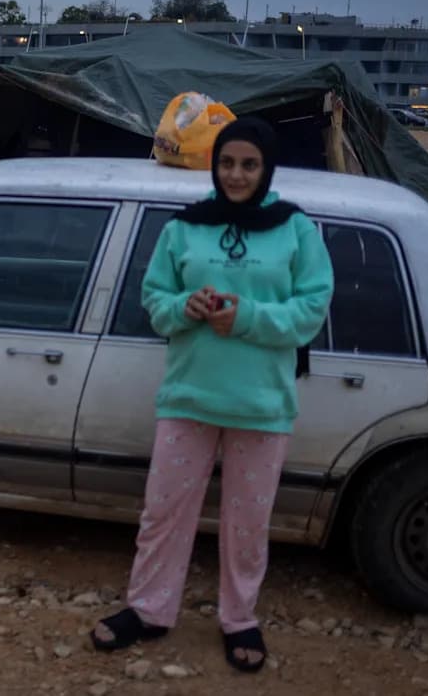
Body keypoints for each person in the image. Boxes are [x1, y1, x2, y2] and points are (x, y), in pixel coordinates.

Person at [90, 117, 334, 673]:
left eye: (249, 164)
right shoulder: (185, 227)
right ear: (215, 165)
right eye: (227, 163)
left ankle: (239, 617)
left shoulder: (295, 230)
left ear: (266, 168)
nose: (237, 174)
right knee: (163, 513)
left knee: (247, 522)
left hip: (262, 404)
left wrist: (245, 318)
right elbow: (155, 299)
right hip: (189, 397)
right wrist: (186, 309)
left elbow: (311, 311)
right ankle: (149, 609)